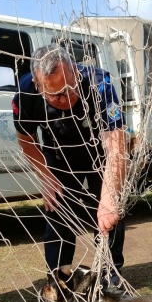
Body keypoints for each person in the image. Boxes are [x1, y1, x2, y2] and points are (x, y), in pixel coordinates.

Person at [12, 45, 127, 285]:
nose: (63, 100)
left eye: (69, 90)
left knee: (108, 211)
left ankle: (110, 273)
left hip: (100, 154)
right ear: (37, 84)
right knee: (57, 213)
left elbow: (116, 147)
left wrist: (108, 198)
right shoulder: (25, 93)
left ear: (76, 72)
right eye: (54, 95)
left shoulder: (100, 85)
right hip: (58, 154)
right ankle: (58, 282)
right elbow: (26, 140)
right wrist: (45, 176)